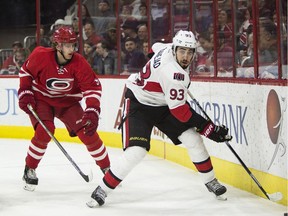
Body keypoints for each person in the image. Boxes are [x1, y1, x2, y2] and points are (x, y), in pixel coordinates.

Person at [87, 30, 232, 207]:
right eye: (182, 51)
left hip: (163, 105)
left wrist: (153, 65)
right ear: (174, 50)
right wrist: (209, 129)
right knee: (136, 151)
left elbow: (155, 47)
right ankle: (102, 189)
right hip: (139, 104)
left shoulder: (167, 48)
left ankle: (210, 181)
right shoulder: (173, 74)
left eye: (189, 52)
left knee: (193, 139)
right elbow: (181, 112)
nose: (185, 56)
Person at [18, 27, 111, 191]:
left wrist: (92, 110)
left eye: (73, 45)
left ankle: (107, 169)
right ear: (58, 46)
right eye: (67, 45)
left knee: (88, 132)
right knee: (45, 131)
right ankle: (30, 169)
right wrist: (25, 91)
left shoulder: (79, 62)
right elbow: (25, 72)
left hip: (68, 103)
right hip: (42, 100)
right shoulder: (40, 55)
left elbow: (92, 88)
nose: (71, 49)